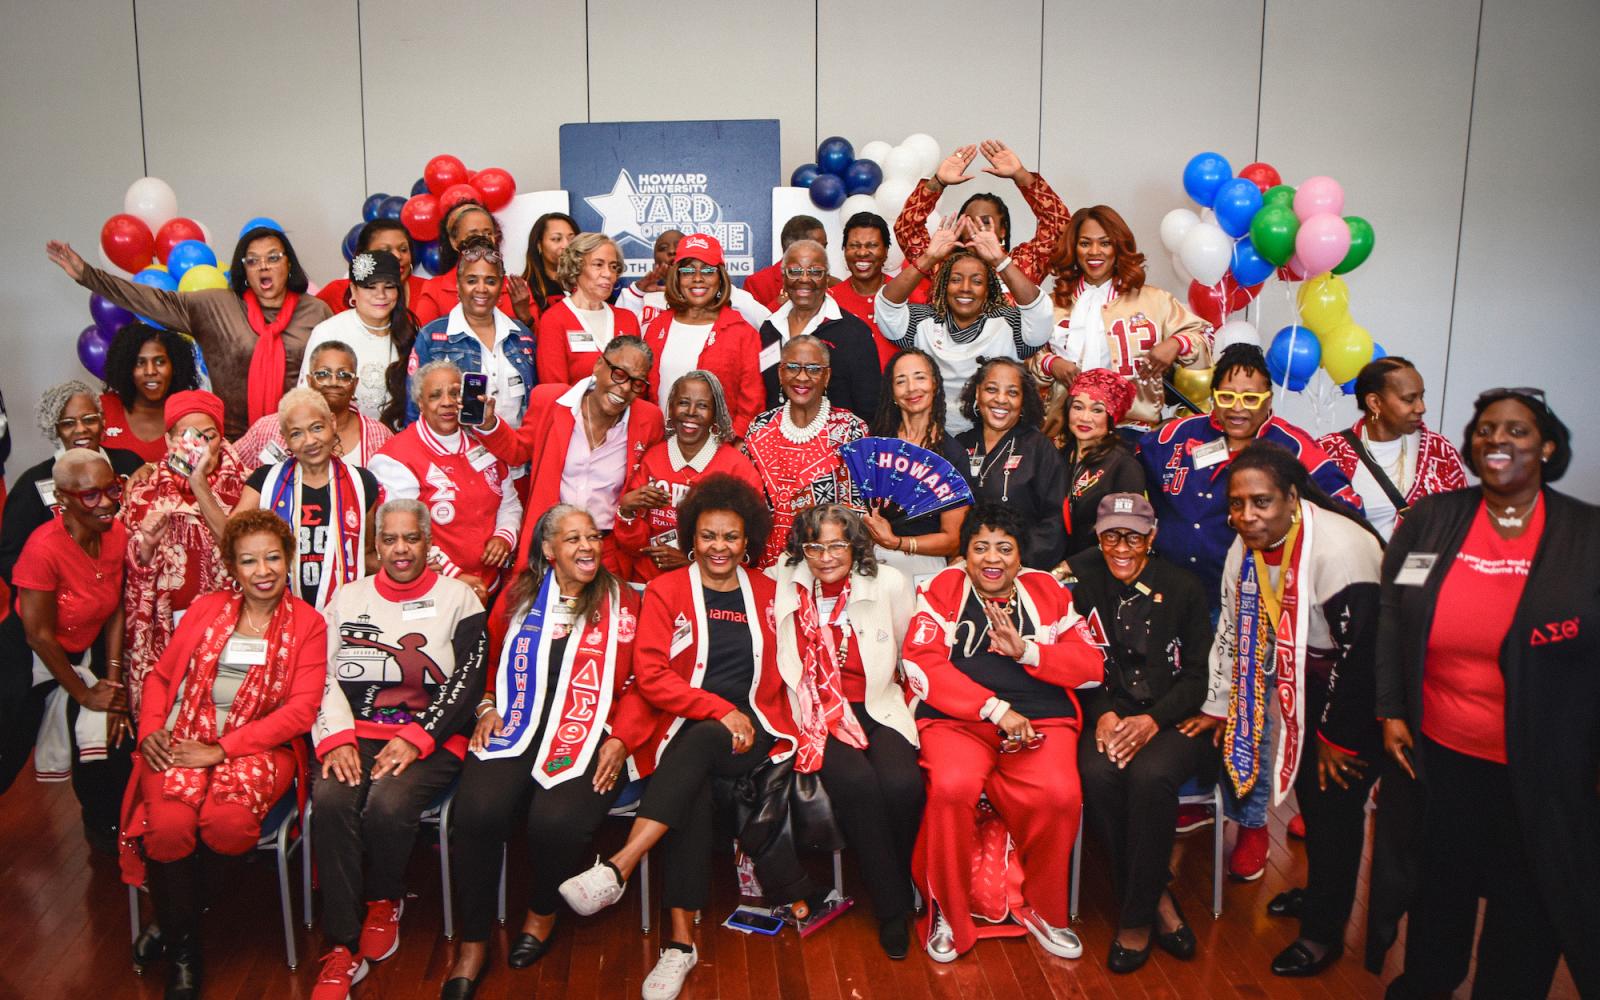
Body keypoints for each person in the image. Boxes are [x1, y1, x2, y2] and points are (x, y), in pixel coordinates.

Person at [557, 474, 829, 1000]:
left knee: (702, 745)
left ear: (747, 539)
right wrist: (717, 711)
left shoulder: (773, 594)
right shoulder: (666, 590)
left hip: (759, 735)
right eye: (708, 536)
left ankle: (620, 865)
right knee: (695, 778)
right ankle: (680, 945)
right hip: (689, 733)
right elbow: (654, 675)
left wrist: (739, 716)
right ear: (691, 539)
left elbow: (801, 667)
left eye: (730, 537)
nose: (719, 547)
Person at [1378, 389, 1599, 998]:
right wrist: (1392, 708)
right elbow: (1395, 611)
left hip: (1544, 767)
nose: (1497, 440)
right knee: (1438, 886)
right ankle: (1426, 983)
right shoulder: (1434, 519)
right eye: (1485, 430)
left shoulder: (1586, 536)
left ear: (1548, 447)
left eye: (1517, 431)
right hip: (1441, 753)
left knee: (1525, 901)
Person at [1187, 442, 1383, 975]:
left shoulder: (1340, 550)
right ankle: (1322, 892)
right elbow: (1231, 629)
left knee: (1336, 807)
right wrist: (1218, 703)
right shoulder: (1247, 544)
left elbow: (1364, 656)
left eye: (1262, 502)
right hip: (1312, 677)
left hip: (1366, 691)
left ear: (1293, 499)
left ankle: (1324, 934)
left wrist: (1336, 740)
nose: (1246, 516)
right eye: (1236, 504)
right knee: (1313, 803)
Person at [120, 509, 327, 1000]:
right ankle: (184, 954)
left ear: (289, 559)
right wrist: (150, 728)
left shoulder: (309, 624)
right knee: (169, 828)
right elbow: (162, 677)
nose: (263, 571)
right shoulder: (208, 609)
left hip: (257, 746)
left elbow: (300, 712)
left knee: (229, 829)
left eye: (273, 558)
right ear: (232, 568)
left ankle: (172, 918)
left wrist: (219, 750)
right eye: (249, 561)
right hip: (180, 736)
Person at [442, 505, 642, 995]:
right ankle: (472, 942)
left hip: (590, 730)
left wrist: (621, 738)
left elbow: (644, 681)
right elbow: (487, 662)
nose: (587, 547)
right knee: (477, 811)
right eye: (572, 539)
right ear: (549, 552)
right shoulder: (518, 596)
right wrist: (488, 704)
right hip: (516, 724)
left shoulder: (624, 602)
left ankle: (541, 911)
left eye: (592, 537)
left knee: (556, 820)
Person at [902, 503, 1105, 963]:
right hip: (961, 719)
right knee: (951, 788)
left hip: (1040, 721)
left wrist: (1029, 651)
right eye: (980, 547)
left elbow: (1092, 667)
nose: (991, 558)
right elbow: (920, 662)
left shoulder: (1049, 590)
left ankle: (1046, 911)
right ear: (965, 554)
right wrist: (995, 710)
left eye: (1004, 548)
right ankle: (947, 914)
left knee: (1060, 793)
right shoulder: (940, 587)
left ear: (1020, 557)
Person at [309, 498, 488, 997]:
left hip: (432, 738)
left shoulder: (459, 599)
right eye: (390, 539)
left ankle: (385, 897)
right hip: (355, 735)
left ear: (428, 544)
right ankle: (341, 948)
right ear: (376, 546)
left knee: (388, 805)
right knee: (330, 801)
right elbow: (319, 674)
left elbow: (468, 682)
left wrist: (418, 736)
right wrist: (338, 739)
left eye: (411, 538)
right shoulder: (347, 599)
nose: (401, 549)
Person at [1068, 493, 1211, 973]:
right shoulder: (1083, 586)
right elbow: (1075, 664)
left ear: (1152, 538)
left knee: (1151, 779)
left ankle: (1136, 920)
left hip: (1170, 716)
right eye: (1111, 535)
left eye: (1133, 535)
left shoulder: (1185, 587)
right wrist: (1104, 712)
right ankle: (1159, 897)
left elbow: (1197, 676)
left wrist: (1153, 721)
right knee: (1099, 774)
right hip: (1109, 712)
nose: (1121, 547)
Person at [773, 505, 920, 958]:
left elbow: (906, 649)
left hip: (876, 703)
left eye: (837, 545)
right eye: (814, 546)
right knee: (858, 784)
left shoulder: (889, 582)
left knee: (903, 785)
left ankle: (903, 874)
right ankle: (893, 907)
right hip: (818, 709)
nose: (825, 556)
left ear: (855, 546)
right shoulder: (785, 577)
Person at [1138, 344, 1361, 618]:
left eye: (1251, 399)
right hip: (1169, 592)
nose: (1238, 408)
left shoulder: (1294, 448)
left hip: (1245, 603)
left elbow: (1346, 509)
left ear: (1269, 400)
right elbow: (1132, 470)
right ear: (1214, 396)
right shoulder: (1176, 435)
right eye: (1227, 397)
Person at [48, 227, 333, 437]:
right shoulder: (215, 305)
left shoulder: (316, 312)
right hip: (232, 446)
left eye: (273, 257)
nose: (263, 266)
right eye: (253, 260)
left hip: (301, 443)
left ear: (288, 263)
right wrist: (87, 275)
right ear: (243, 269)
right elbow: (150, 299)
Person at [13, 450, 131, 853]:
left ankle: (104, 828)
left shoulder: (115, 533)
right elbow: (39, 636)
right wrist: (83, 693)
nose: (108, 503)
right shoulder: (42, 549)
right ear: (62, 498)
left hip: (86, 647)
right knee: (9, 749)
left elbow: (115, 603)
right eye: (91, 496)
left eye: (112, 490)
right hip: (28, 660)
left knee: (109, 734)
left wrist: (112, 677)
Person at [475, 335, 665, 578]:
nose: (625, 388)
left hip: (605, 548)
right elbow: (517, 452)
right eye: (619, 374)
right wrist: (490, 424)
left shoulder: (649, 420)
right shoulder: (550, 401)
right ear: (598, 365)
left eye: (637, 383)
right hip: (551, 546)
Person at [120, 390, 248, 716]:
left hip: (231, 629)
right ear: (168, 440)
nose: (200, 445)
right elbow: (125, 570)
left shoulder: (247, 487)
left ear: (223, 438)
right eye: (188, 436)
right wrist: (146, 547)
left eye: (209, 435)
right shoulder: (143, 492)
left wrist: (199, 482)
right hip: (166, 630)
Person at [1034, 205, 1212, 435]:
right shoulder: (1052, 304)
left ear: (1118, 248)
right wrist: (1051, 363)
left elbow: (1205, 337)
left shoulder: (1154, 300)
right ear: (1074, 248)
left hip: (1132, 430)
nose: (1094, 251)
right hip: (1063, 432)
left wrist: (1176, 344)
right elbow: (1025, 355)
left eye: (1105, 243)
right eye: (1085, 243)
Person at [877, 215, 1053, 435]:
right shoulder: (924, 320)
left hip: (995, 438)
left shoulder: (1009, 322)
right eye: (956, 279)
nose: (965, 288)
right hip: (935, 438)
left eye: (977, 281)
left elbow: (1039, 315)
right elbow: (887, 307)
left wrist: (1001, 260)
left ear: (988, 289)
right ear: (943, 285)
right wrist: (929, 258)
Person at [368, 361, 521, 605]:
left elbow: (510, 503)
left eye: (455, 393)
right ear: (420, 403)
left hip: (490, 586)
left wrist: (504, 537)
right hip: (433, 590)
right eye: (435, 395)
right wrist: (455, 575)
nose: (447, 402)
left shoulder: (482, 441)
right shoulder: (396, 457)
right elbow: (403, 534)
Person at [235, 388, 378, 609]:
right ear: (284, 438)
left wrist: (416, 567)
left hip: (344, 613)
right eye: (296, 433)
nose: (309, 441)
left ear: (332, 423)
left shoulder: (362, 482)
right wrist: (199, 484)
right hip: (279, 611)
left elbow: (366, 555)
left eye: (317, 428)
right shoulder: (266, 481)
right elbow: (231, 538)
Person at [615, 371, 762, 583]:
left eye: (702, 406)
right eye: (683, 402)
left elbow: (751, 544)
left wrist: (694, 560)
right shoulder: (652, 458)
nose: (691, 412)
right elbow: (634, 546)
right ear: (671, 407)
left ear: (715, 413)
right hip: (649, 582)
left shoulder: (736, 468)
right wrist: (627, 511)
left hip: (710, 586)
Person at [0, 381, 143, 585]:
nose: (81, 429)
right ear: (55, 429)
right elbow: (10, 559)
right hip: (64, 601)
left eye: (89, 420)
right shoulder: (32, 484)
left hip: (130, 589)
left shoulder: (129, 464)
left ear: (102, 421)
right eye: (68, 423)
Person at [741, 336, 867, 568]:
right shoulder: (760, 427)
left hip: (824, 564)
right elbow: (745, 502)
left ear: (827, 376)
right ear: (780, 373)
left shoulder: (849, 430)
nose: (802, 377)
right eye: (792, 367)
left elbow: (857, 513)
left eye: (813, 369)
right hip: (762, 564)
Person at [1316, 356, 1467, 541]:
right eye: (1409, 399)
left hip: (1420, 569)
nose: (1421, 407)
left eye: (1421, 397)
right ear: (1375, 403)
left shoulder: (1439, 450)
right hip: (1354, 568)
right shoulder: (1329, 452)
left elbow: (1461, 523)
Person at [894, 139, 1070, 291]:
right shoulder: (942, 266)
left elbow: (1059, 228)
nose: (976, 228)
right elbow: (906, 229)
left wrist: (1022, 176)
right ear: (960, 229)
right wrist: (938, 182)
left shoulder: (1023, 265)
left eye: (985, 222)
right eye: (969, 221)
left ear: (1003, 230)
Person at [637, 234, 765, 435]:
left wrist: (733, 443)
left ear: (720, 278)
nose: (697, 278)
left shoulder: (742, 332)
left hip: (719, 452)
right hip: (661, 449)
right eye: (688, 270)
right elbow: (643, 394)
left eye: (707, 270)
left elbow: (753, 402)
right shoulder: (657, 327)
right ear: (677, 277)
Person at [407, 236, 538, 429]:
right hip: (456, 453)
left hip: (515, 455)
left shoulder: (521, 336)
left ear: (501, 286)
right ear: (458, 286)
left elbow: (534, 408)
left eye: (491, 281)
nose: (481, 289)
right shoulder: (432, 337)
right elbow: (413, 408)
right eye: (471, 280)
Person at [862, 349, 970, 580]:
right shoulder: (876, 444)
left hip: (924, 568)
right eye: (901, 381)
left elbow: (952, 540)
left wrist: (897, 542)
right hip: (872, 563)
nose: (911, 388)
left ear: (935, 384)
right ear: (892, 391)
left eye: (920, 377)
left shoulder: (952, 454)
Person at [956, 357, 1068, 570]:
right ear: (977, 393)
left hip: (1022, 569)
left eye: (1012, 392)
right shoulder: (961, 445)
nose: (1001, 399)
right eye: (991, 389)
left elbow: (1054, 521)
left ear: (1024, 401)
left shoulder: (1039, 449)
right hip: (965, 568)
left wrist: (1013, 561)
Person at [756, 239, 882, 418]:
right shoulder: (769, 329)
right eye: (795, 271)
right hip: (778, 440)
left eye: (815, 271)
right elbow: (766, 392)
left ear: (827, 278)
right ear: (783, 278)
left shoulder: (854, 333)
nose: (804, 279)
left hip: (837, 442)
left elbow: (870, 407)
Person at [234, 340, 393, 471]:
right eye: (323, 374)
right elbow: (229, 466)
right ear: (309, 381)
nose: (333, 382)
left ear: (355, 384)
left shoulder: (379, 435)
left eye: (344, 375)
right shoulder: (268, 428)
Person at [299, 250, 419, 422]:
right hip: (340, 439)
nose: (381, 295)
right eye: (370, 287)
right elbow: (306, 398)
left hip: (397, 441)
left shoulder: (410, 331)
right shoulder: (328, 332)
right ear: (353, 290)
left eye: (389, 286)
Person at [1058, 368, 1146, 558]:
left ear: (1111, 417)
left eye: (1097, 410)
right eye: (1078, 407)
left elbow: (1124, 533)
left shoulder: (1124, 465)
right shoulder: (1061, 455)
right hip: (1056, 559)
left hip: (1098, 567)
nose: (1084, 418)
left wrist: (1071, 567)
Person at [535, 233, 642, 386]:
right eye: (598, 265)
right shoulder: (555, 319)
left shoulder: (627, 319)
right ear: (576, 267)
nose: (608, 274)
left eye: (613, 267)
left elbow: (638, 383)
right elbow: (554, 390)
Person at [619, 228, 771, 331]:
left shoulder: (729, 296)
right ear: (654, 259)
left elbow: (768, 324)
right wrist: (638, 291)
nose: (671, 251)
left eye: (678, 246)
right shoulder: (644, 297)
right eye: (663, 248)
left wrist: (719, 287)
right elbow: (620, 336)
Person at [98, 323, 203, 464]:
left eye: (160, 362)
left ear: (175, 365)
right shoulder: (102, 408)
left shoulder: (193, 414)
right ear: (126, 367)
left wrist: (152, 469)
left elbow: (191, 473)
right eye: (140, 363)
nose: (150, 371)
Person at [827, 211, 921, 367]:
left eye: (872, 245)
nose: (862, 252)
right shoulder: (829, 301)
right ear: (844, 250)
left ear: (886, 251)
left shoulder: (910, 296)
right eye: (854, 245)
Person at [412, 202, 523, 326]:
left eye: (488, 233)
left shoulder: (516, 289)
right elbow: (424, 338)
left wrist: (525, 317)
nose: (482, 239)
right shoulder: (434, 289)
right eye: (473, 234)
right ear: (453, 242)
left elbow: (535, 339)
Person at [315, 219, 426, 315]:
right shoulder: (335, 293)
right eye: (385, 251)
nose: (397, 256)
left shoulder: (428, 290)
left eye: (403, 250)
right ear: (363, 256)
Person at [743, 214, 828, 310]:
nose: (823, 253)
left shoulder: (829, 282)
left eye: (824, 247)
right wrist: (780, 303)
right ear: (791, 247)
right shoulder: (758, 283)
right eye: (816, 247)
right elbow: (753, 324)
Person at [520, 211, 578, 315]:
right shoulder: (525, 291)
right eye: (556, 239)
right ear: (539, 245)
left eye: (572, 239)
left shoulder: (588, 284)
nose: (566, 245)